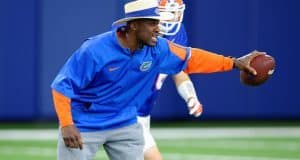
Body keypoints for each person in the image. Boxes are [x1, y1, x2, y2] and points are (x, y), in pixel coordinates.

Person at [51, 0, 262, 159]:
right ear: (133, 26)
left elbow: (192, 58)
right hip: (84, 124)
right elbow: (62, 86)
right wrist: (67, 124)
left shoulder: (158, 48)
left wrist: (233, 62)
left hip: (125, 123)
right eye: (153, 23)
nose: (158, 29)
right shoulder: (95, 50)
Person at [137, 0, 202, 160]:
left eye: (174, 13)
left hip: (143, 110)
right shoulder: (138, 35)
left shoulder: (177, 33)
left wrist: (191, 96)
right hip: (126, 109)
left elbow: (177, 70)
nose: (171, 18)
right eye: (167, 13)